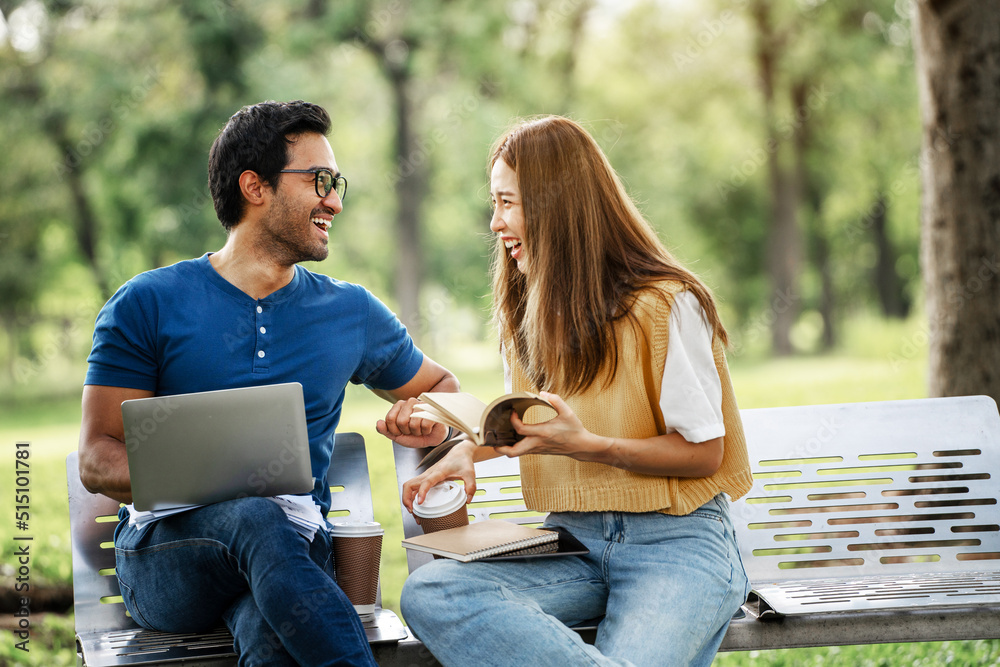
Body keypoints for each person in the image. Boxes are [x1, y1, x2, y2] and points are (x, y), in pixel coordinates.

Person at [78, 100, 459, 667]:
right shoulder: (148, 303)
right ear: (254, 186)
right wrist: (216, 477)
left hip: (296, 558)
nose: (334, 200)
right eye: (320, 180)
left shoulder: (351, 312)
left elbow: (444, 389)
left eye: (338, 183)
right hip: (168, 562)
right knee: (257, 516)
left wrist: (423, 415)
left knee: (272, 631)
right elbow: (97, 460)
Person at [398, 116, 754, 666]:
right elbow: (541, 427)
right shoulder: (534, 311)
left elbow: (704, 454)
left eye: (507, 203)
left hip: (679, 545)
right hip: (574, 543)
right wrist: (469, 450)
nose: (495, 223)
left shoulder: (665, 304)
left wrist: (588, 445)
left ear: (555, 205)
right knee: (433, 591)